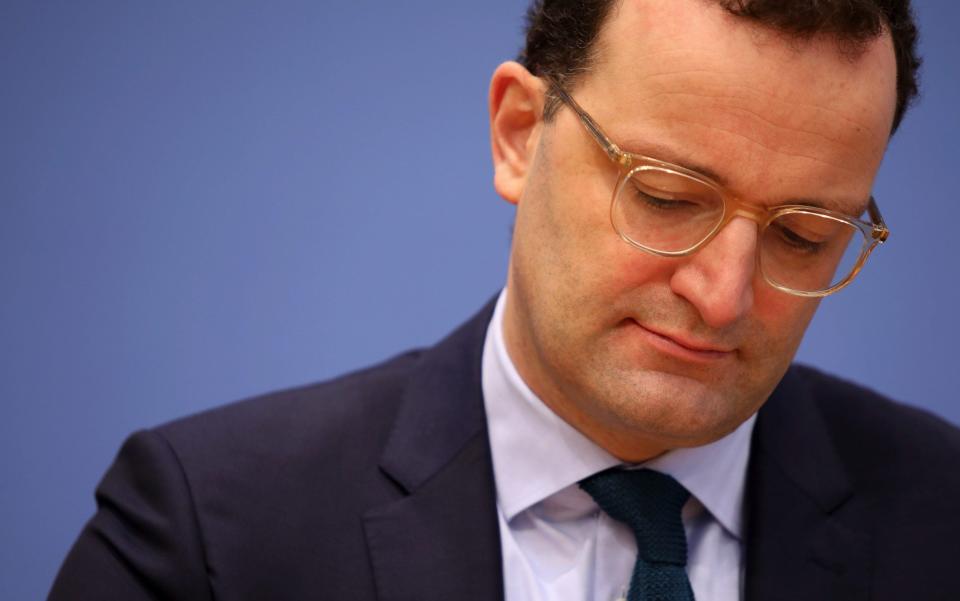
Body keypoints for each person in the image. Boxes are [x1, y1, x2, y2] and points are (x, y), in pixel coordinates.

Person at [50, 0, 960, 600]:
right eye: (667, 196)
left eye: (803, 234)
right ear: (520, 135)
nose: (723, 296)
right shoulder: (209, 536)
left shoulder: (942, 516)